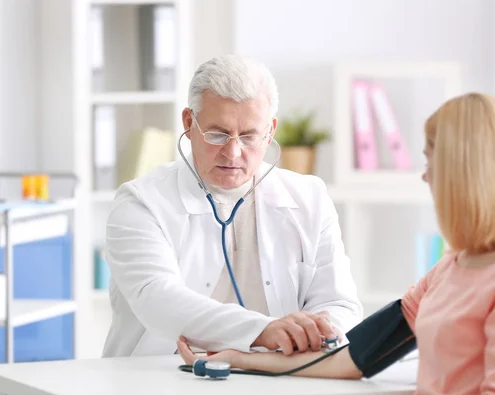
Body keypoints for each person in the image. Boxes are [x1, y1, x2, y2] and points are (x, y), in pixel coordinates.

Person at [177, 92, 495, 395]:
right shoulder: (455, 266)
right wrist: (242, 357)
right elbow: (358, 355)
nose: (425, 174)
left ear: (461, 172)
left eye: (430, 160)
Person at [102, 54, 363, 357]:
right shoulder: (141, 203)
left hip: (276, 374)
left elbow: (340, 303)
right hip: (163, 378)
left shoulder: (309, 198)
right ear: (189, 123)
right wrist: (263, 332)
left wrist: (313, 334)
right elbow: (157, 298)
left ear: (271, 130)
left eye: (250, 136)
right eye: (218, 134)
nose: (233, 152)